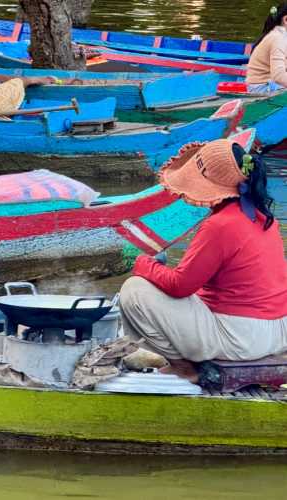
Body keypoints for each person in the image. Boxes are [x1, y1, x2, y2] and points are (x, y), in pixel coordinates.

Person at [119, 138, 287, 382]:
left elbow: (180, 286)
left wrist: (145, 264)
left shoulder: (220, 224)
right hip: (276, 334)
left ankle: (182, 368)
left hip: (242, 340)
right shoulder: (265, 218)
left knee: (134, 290)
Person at [246, 3, 287, 93]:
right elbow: (278, 76)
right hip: (261, 88)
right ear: (286, 20)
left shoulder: (278, 35)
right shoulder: (278, 38)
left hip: (266, 85)